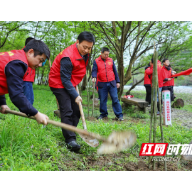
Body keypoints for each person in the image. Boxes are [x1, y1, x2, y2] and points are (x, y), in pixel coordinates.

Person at [49, 31, 95, 152]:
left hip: (71, 81)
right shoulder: (67, 57)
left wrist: (75, 88)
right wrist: (75, 95)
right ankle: (70, 140)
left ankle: (71, 131)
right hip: (58, 82)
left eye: (89, 48)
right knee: (67, 109)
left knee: (76, 109)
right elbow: (64, 80)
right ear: (77, 42)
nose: (86, 50)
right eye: (85, 47)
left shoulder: (86, 53)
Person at [0, 39, 50, 125]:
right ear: (30, 52)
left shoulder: (16, 57)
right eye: (40, 60)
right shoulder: (18, 64)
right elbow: (16, 95)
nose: (39, 65)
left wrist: (2, 103)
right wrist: (36, 114)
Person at [91, 47, 124, 121]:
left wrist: (117, 81)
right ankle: (103, 114)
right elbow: (94, 71)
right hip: (102, 84)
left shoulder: (111, 60)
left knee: (115, 98)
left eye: (108, 54)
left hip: (112, 83)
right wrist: (93, 77)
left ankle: (119, 115)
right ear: (101, 53)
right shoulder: (96, 61)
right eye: (105, 54)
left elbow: (115, 71)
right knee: (102, 100)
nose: (106, 56)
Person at [23, 37, 47, 105]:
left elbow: (41, 64)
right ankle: (28, 112)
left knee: (30, 99)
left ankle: (29, 111)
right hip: (26, 78)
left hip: (29, 79)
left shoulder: (34, 56)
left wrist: (44, 58)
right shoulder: (26, 54)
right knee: (29, 100)